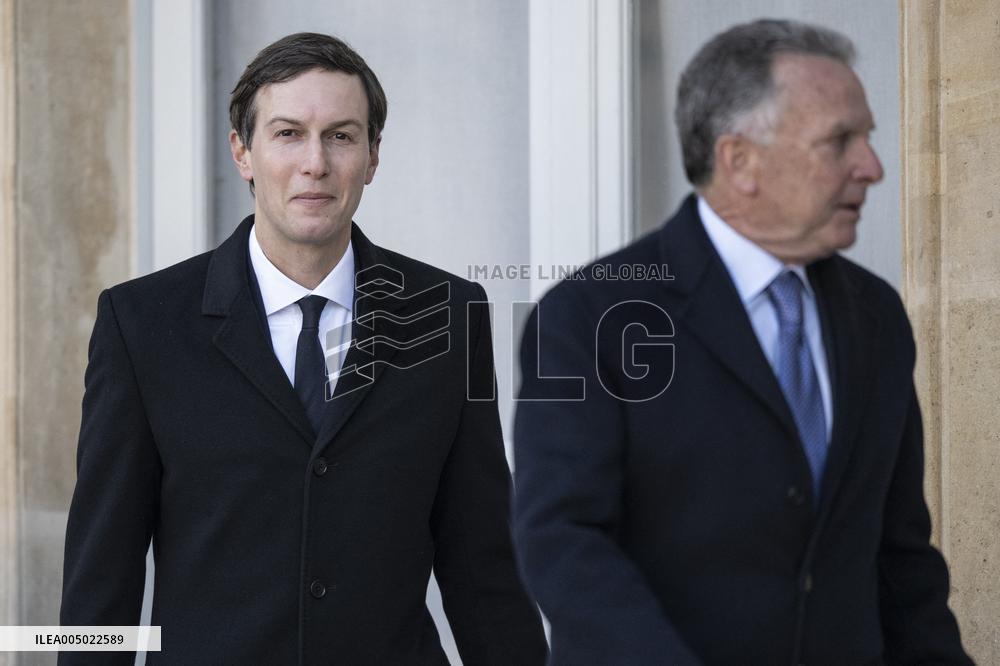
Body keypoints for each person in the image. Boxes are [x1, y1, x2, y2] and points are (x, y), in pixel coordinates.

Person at [60, 32, 546, 665]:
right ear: (243, 152)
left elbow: (482, 562)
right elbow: (102, 572)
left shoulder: (447, 315)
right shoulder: (141, 322)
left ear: (372, 157)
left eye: (341, 136)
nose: (315, 163)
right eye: (288, 133)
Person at [512, 19, 971, 665]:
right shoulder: (589, 314)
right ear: (739, 161)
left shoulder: (877, 317)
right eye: (840, 141)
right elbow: (562, 543)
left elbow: (900, 558)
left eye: (866, 137)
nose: (872, 167)